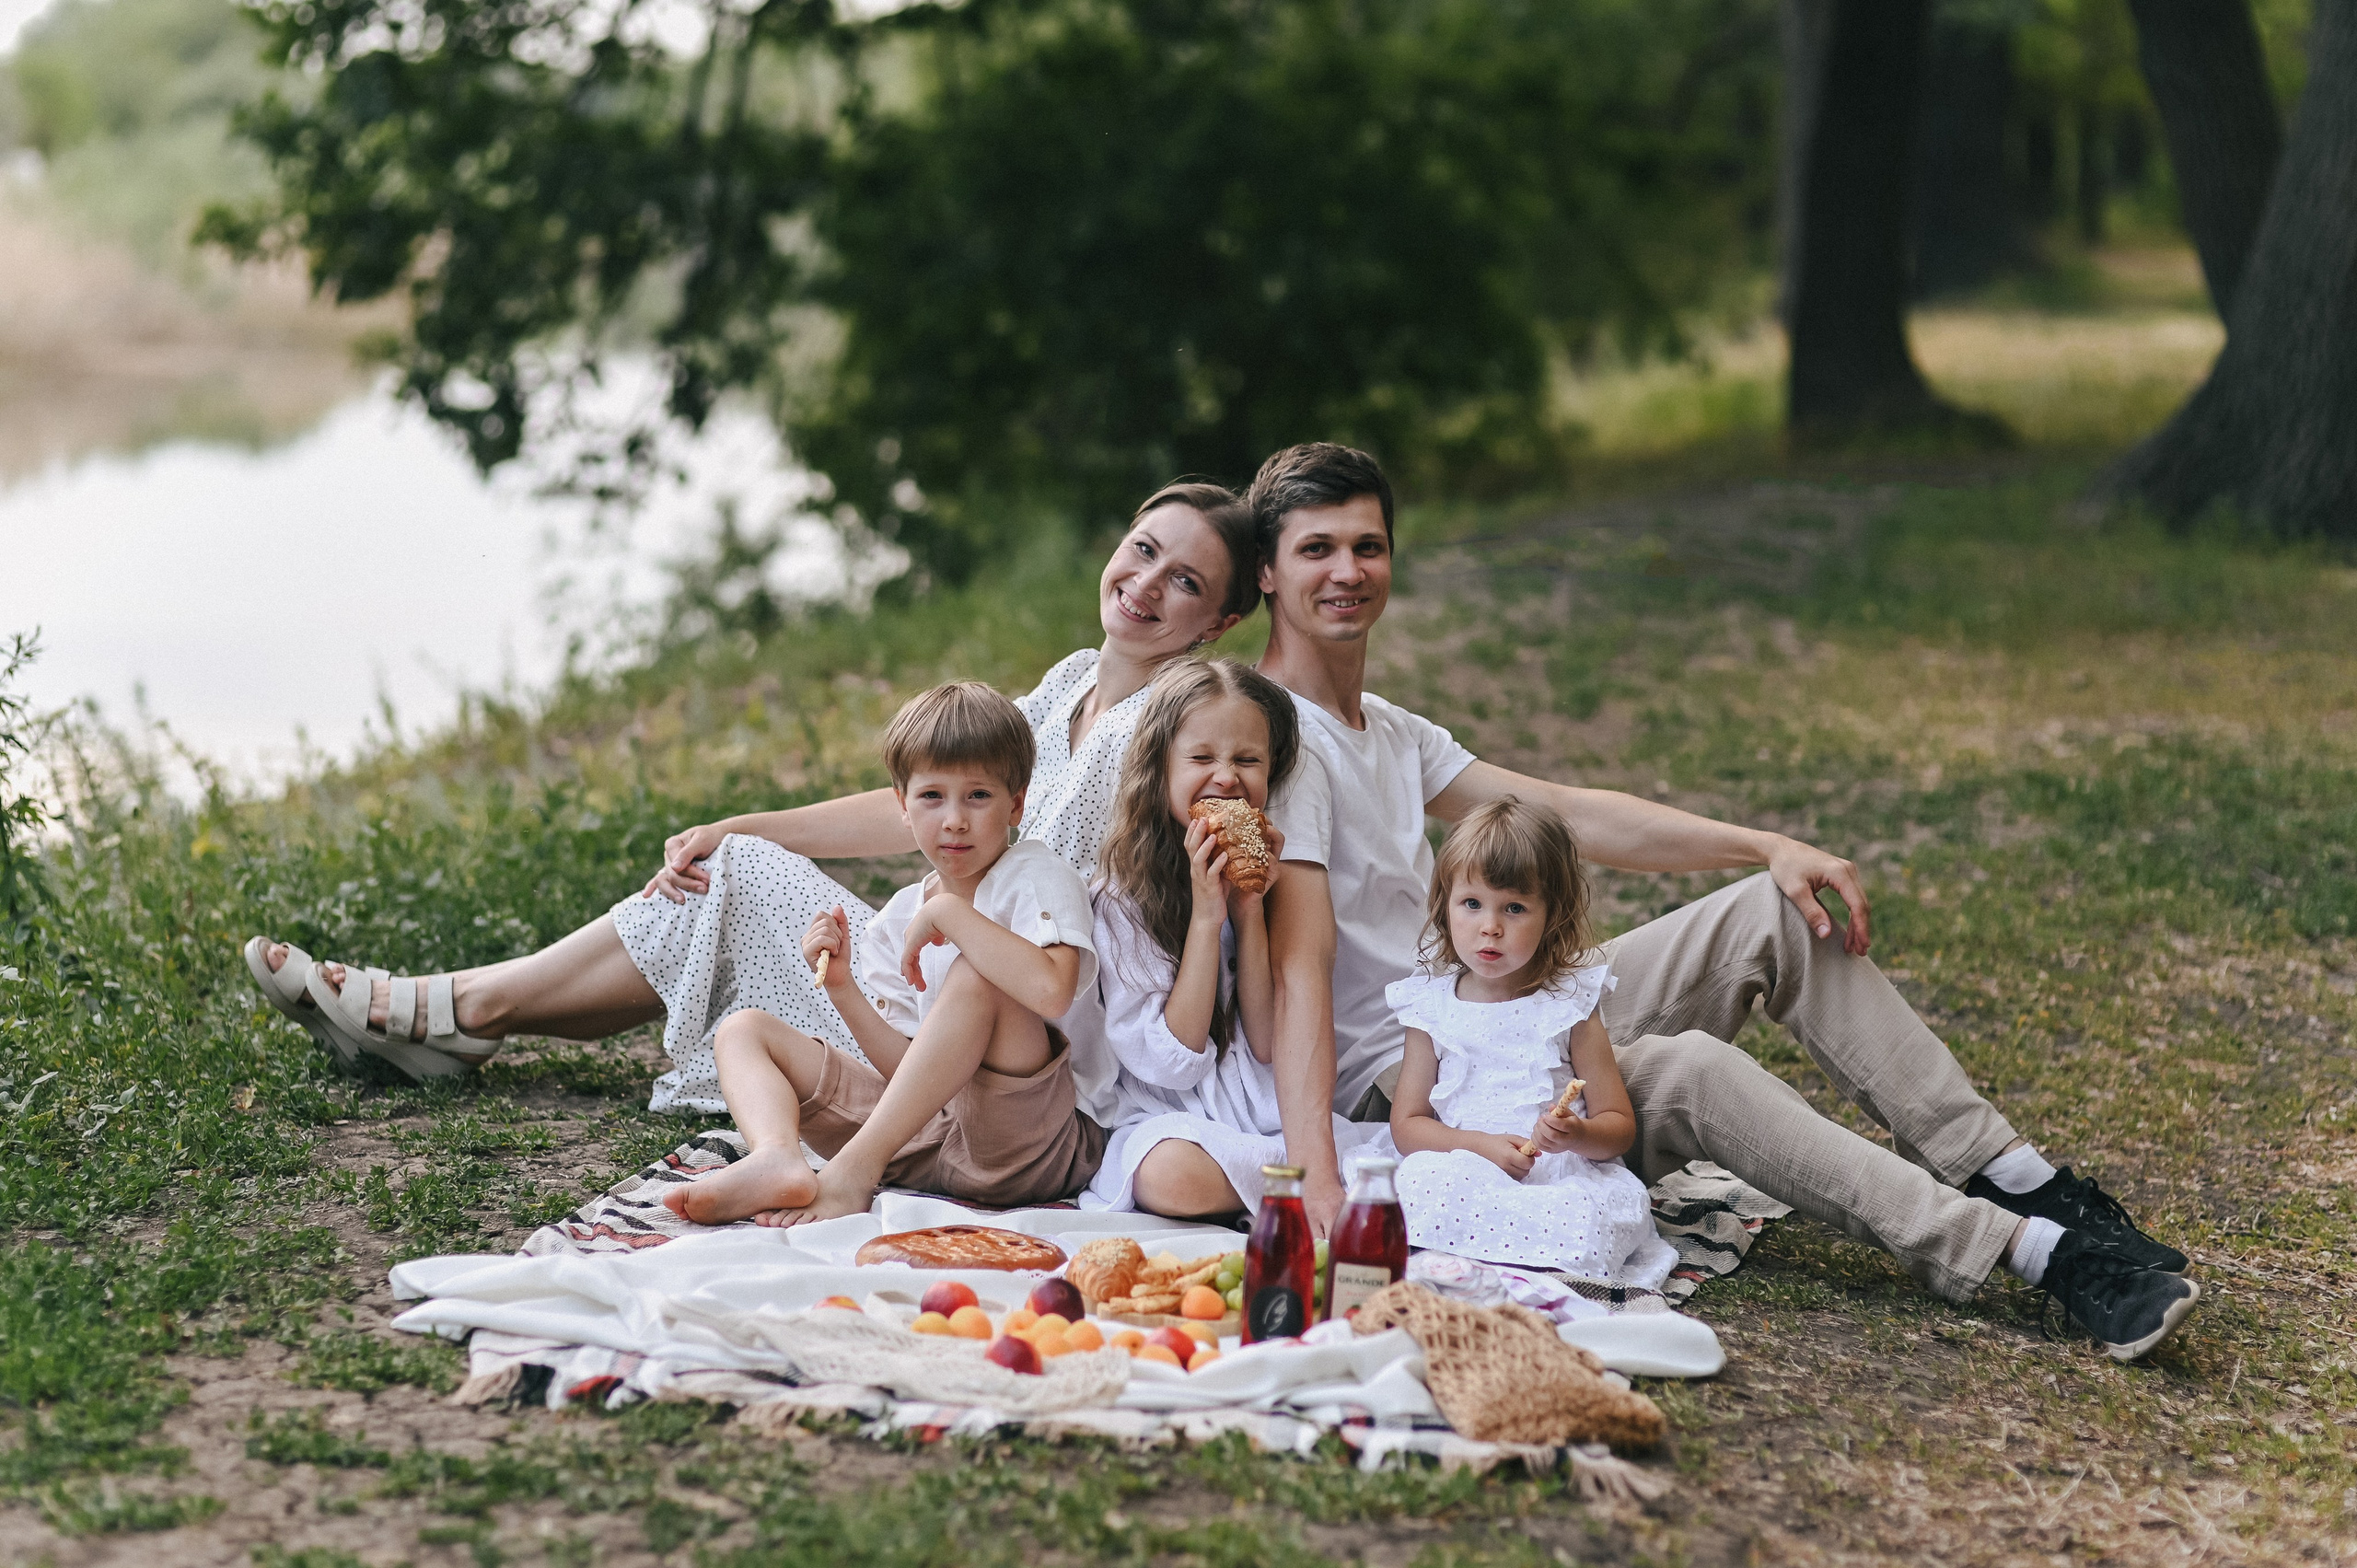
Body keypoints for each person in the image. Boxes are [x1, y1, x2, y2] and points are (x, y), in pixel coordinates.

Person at [1190, 441, 2194, 1360]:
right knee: (1692, 1071)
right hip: (1413, 1080)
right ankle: (2030, 1255)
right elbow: (1299, 968)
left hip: (1500, 1003)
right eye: (1315, 548)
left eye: (1367, 545)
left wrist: (1765, 842)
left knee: (1772, 906)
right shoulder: (1275, 740)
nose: (1347, 570)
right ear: (1268, 573)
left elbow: (1573, 813)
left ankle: (2013, 1172)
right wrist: (1319, 1182)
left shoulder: (1390, 732)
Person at [240, 481, 1260, 1113]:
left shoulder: (1168, 722)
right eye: (1142, 550)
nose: (1145, 583)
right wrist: (750, 818)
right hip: (942, 956)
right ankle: (465, 1013)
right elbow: (928, 803)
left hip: (1012, 1017)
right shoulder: (1078, 678)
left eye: (1183, 582)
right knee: (733, 863)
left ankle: (456, 1011)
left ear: (1212, 625)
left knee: (732, 885)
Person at [661, 681, 1102, 1225]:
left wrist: (952, 918)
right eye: (932, 797)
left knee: (978, 974)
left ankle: (853, 1172)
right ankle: (778, 1156)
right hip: (932, 1144)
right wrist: (844, 988)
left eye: (979, 796)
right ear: (902, 804)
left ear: (1016, 804)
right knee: (744, 1029)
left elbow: (1054, 991)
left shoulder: (1035, 875)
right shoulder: (901, 918)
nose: (955, 820)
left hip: (1026, 1147)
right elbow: (910, 1073)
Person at [1074, 657, 1392, 1216]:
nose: (1226, 777)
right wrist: (1205, 920)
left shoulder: (1263, 880)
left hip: (1259, 1115)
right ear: (1160, 767)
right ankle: (1285, 1190)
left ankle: (1291, 1185)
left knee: (1387, 1158)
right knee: (1169, 1176)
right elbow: (1172, 1063)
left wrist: (1248, 913)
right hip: (1172, 1119)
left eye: (1248, 760)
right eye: (1201, 758)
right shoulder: (1121, 896)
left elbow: (1268, 1042)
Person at [1387, 796, 1677, 1288]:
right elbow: (1408, 1125)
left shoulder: (1570, 1005)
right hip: (1464, 1163)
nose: (1490, 926)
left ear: (1552, 916)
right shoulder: (1431, 1006)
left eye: (1515, 908)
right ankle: (1471, 1263)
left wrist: (1578, 1136)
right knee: (1420, 1187)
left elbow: (1618, 1124)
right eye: (1472, 903)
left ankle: (1514, 1266)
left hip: (1558, 1175)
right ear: (1445, 904)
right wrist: (1476, 1147)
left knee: (1587, 1219)